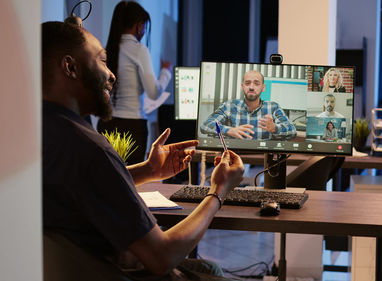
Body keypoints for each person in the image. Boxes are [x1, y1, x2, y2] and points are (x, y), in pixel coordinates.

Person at [42, 21, 245, 280]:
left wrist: (147, 170)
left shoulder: (38, 135)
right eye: (102, 61)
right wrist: (219, 191)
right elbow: (162, 256)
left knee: (208, 269)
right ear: (71, 67)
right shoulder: (91, 150)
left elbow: (81, 186)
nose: (111, 74)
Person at [97, 1, 172, 165]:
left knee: (107, 175)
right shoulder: (139, 50)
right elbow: (153, 92)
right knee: (132, 180)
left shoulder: (106, 50)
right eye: (144, 26)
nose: (144, 31)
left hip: (107, 124)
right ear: (139, 25)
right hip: (132, 126)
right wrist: (166, 72)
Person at [200, 70, 297, 140]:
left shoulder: (273, 107)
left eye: (256, 83)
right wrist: (229, 130)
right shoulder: (229, 106)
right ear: (242, 87)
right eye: (247, 83)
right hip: (235, 157)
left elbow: (292, 131)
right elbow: (206, 125)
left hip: (263, 158)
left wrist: (275, 128)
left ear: (263, 88)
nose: (251, 87)